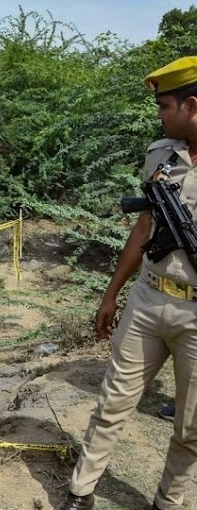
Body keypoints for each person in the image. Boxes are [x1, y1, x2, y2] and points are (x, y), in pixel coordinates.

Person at [57, 56, 197, 510]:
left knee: (192, 426)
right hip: (149, 295)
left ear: (191, 105)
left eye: (164, 106)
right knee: (113, 401)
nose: (159, 115)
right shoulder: (160, 153)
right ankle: (81, 492)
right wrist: (112, 292)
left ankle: (167, 502)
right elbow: (143, 229)